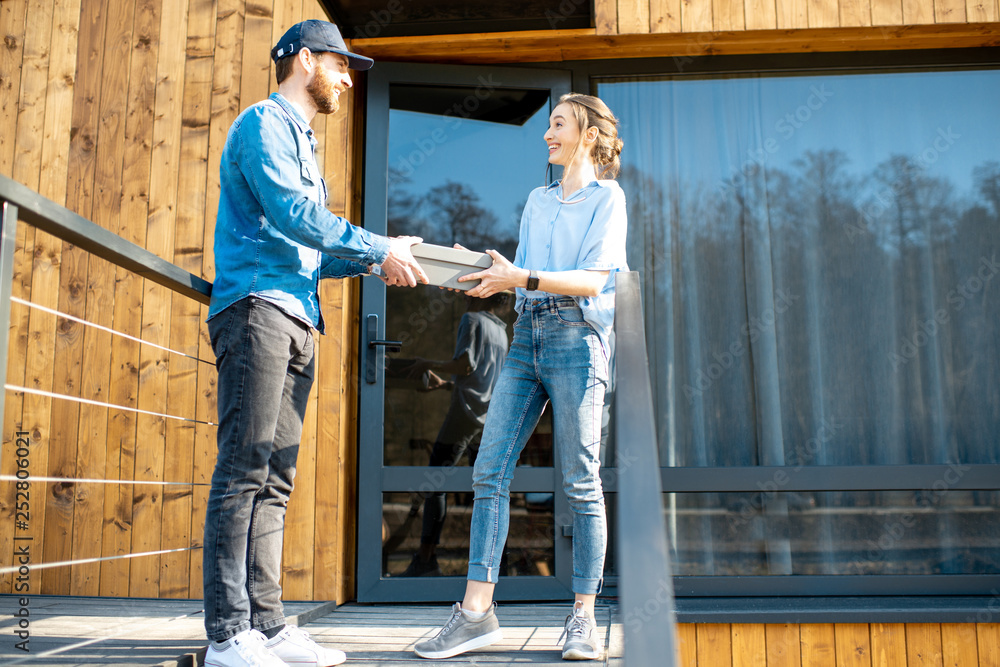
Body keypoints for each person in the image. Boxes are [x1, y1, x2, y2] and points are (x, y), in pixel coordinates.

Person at [203, 20, 428, 667]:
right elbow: (295, 217)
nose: (348, 79)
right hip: (257, 309)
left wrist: (370, 261)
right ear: (304, 60)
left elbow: (308, 247)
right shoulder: (262, 126)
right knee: (244, 470)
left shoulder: (302, 143)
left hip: (298, 315)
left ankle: (269, 626)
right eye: (339, 65)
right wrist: (377, 245)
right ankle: (227, 633)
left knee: (275, 477)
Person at [414, 93, 627, 662]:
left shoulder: (609, 199)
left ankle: (582, 617)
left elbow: (590, 281)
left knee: (581, 480)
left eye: (557, 124)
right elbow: (523, 277)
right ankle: (476, 615)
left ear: (586, 134)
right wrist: (481, 272)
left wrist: (521, 276)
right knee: (489, 471)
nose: (546, 134)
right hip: (527, 335)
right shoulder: (538, 199)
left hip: (578, 340)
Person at [400, 292, 511, 577]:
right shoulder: (501, 330)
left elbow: (465, 365)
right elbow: (482, 379)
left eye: (467, 292)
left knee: (436, 479)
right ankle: (498, 562)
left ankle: (426, 559)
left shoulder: (471, 319)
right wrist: (448, 385)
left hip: (464, 415)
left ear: (479, 295)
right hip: (488, 418)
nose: (463, 298)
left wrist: (427, 363)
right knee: (488, 487)